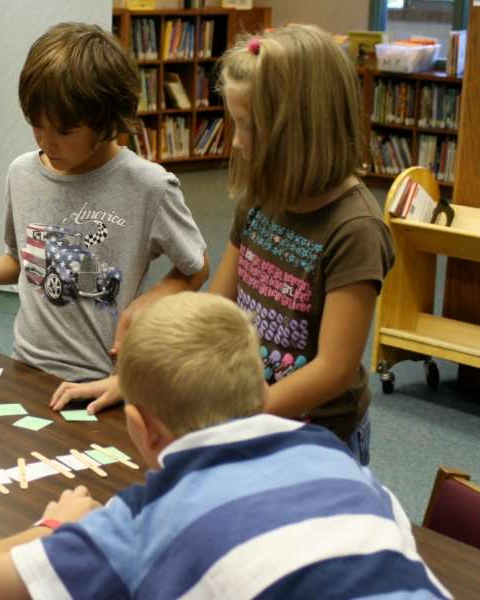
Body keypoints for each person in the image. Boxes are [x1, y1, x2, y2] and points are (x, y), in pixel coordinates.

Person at [0, 293, 449, 600]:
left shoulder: (146, 522)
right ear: (260, 394)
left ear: (142, 427)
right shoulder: (332, 454)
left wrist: (58, 526)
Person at [52, 26, 394, 467]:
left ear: (306, 129)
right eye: (236, 123)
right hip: (248, 416)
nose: (235, 141)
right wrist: (140, 385)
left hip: (315, 442)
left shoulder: (355, 229)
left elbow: (334, 370)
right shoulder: (259, 200)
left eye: (251, 126)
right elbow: (217, 311)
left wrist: (235, 420)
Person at [0, 22, 209, 388]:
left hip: (99, 380)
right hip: (24, 366)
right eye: (36, 125)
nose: (47, 142)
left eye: (64, 131)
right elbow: (20, 259)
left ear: (107, 120)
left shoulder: (149, 186)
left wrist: (146, 304)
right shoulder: (22, 173)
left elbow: (196, 267)